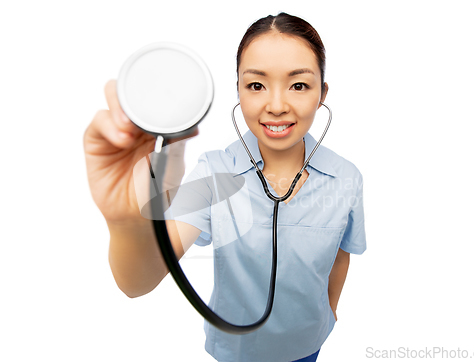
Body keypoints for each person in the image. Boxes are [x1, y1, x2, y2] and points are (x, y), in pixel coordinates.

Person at [84, 12, 366, 362]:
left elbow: (341, 253)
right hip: (237, 353)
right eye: (256, 85)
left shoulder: (347, 177)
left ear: (322, 93)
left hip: (309, 347)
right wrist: (127, 222)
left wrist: (330, 314)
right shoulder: (213, 173)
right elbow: (138, 281)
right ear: (238, 90)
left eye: (298, 85)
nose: (276, 106)